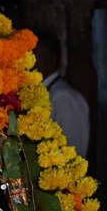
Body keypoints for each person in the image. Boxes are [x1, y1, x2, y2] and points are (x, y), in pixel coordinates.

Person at [35, 28, 91, 158]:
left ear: (51, 59)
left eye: (33, 54)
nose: (27, 61)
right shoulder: (46, 93)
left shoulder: (63, 97)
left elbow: (70, 152)